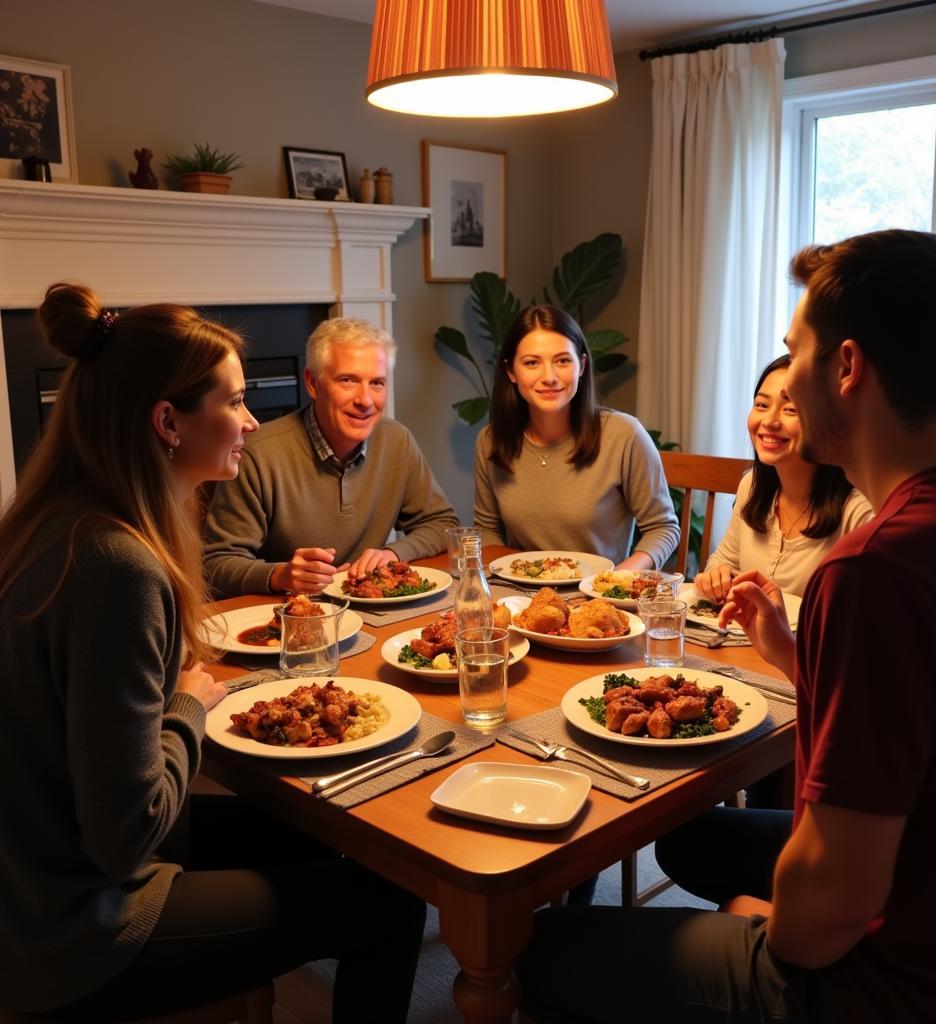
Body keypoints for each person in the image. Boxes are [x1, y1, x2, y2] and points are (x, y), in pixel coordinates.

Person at [516, 230, 936, 1024]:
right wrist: (792, 653)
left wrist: (770, 924)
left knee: (545, 951)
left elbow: (832, 905)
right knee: (691, 837)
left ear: (847, 367)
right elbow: (927, 719)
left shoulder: (876, 569)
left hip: (892, 978)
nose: (784, 377)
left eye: (796, 352)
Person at [0, 284, 426, 1022]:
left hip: (35, 868)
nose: (251, 420)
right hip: (73, 924)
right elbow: (128, 835)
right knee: (389, 899)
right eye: (232, 401)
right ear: (168, 421)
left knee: (346, 840)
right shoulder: (118, 566)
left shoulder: (57, 522)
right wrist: (191, 702)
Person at [204, 316, 458, 597]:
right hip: (289, 618)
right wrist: (279, 575)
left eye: (377, 383)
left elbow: (442, 525)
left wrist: (394, 553)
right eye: (347, 380)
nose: (365, 400)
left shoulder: (397, 440)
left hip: (371, 612)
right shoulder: (256, 453)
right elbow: (215, 564)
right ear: (312, 383)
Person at [474, 305, 679, 569]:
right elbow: (487, 529)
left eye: (562, 361)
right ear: (511, 372)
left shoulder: (624, 435)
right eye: (532, 363)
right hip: (520, 598)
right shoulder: (490, 441)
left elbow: (663, 528)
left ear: (581, 366)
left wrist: (617, 579)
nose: (549, 377)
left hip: (598, 599)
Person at [694, 354, 873, 601]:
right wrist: (717, 576)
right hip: (743, 638)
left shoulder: (858, 512)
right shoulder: (752, 485)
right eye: (761, 405)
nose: (769, 421)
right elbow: (724, 559)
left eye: (790, 409)